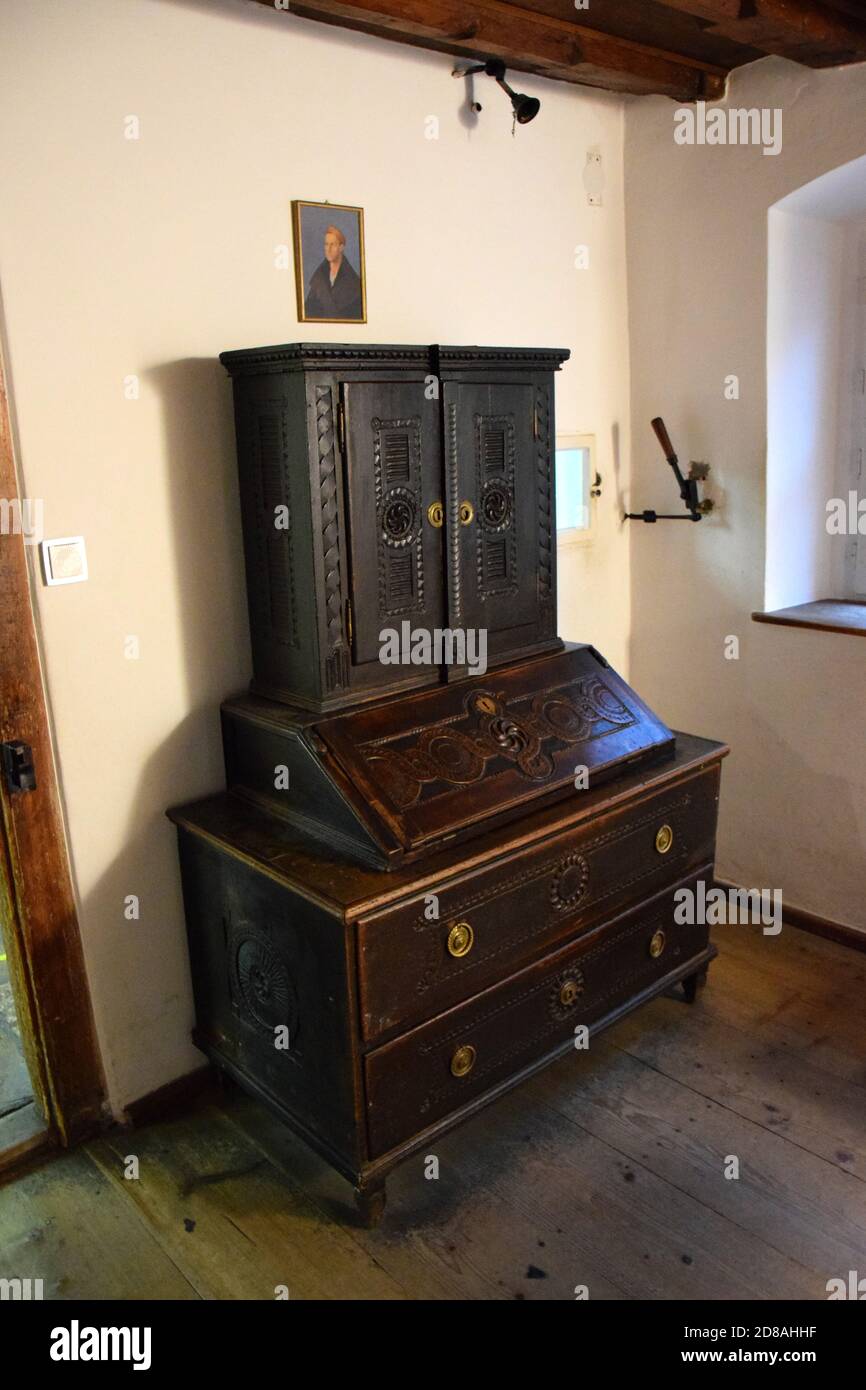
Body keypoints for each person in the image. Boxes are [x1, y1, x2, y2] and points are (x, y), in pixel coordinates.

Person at [304, 223, 363, 320]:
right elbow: (309, 311)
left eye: (333, 244)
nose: (328, 249)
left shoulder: (353, 282)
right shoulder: (319, 278)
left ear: (341, 247)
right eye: (326, 244)